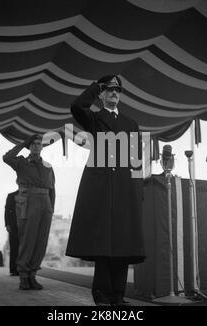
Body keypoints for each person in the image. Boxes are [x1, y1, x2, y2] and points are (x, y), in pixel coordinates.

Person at [66, 75, 146, 306]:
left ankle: (118, 295)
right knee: (103, 243)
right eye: (109, 89)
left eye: (117, 90)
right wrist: (96, 86)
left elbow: (136, 159)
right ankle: (101, 294)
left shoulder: (131, 124)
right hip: (100, 184)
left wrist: (137, 189)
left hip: (124, 186)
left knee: (122, 242)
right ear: (102, 94)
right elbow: (76, 106)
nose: (114, 93)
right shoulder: (94, 117)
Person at [3, 134, 55, 290]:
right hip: (28, 201)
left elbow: (52, 189)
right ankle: (24, 276)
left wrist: (51, 208)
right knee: (28, 238)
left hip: (45, 203)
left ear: (42, 147)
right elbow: (7, 157)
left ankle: (33, 275)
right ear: (29, 146)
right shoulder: (21, 163)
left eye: (38, 144)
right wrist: (24, 141)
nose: (36, 146)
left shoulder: (48, 166)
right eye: (32, 144)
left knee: (41, 241)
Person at [5, 189, 19, 276]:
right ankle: (13, 269)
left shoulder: (28, 196)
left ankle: (21, 268)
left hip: (25, 225)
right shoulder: (11, 195)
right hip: (13, 226)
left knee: (23, 248)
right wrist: (7, 224)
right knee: (14, 247)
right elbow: (7, 211)